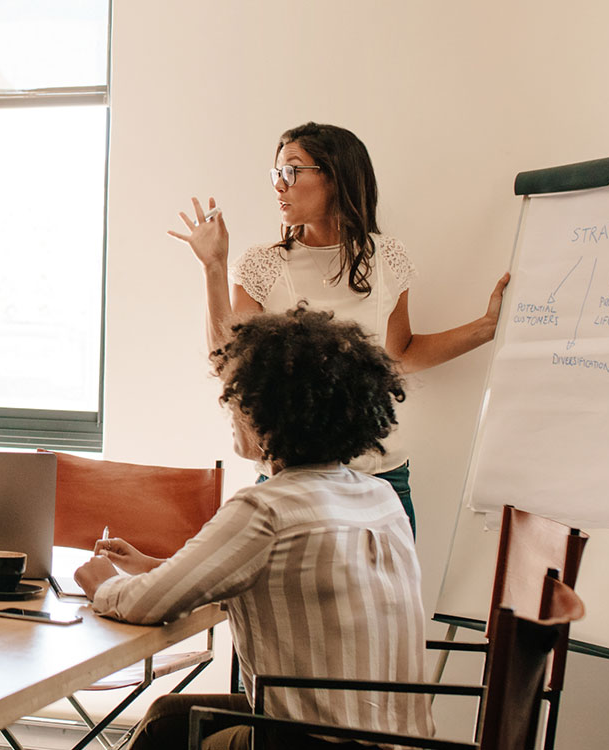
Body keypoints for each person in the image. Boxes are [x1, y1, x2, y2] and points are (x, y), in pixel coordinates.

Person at [75, 307, 429, 750]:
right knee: (167, 717)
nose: (231, 410)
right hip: (399, 738)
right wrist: (159, 566)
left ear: (266, 413)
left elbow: (148, 605)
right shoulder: (378, 496)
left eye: (236, 398)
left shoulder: (267, 507)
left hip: (320, 742)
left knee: (164, 736)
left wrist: (103, 585)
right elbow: (296, 583)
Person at [168, 122, 509, 533]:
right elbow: (231, 366)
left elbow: (399, 354)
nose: (279, 185)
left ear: (335, 175)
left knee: (389, 598)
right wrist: (214, 267)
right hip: (292, 479)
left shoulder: (388, 258)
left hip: (381, 478)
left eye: (291, 171)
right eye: (276, 173)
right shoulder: (264, 264)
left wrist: (488, 327)